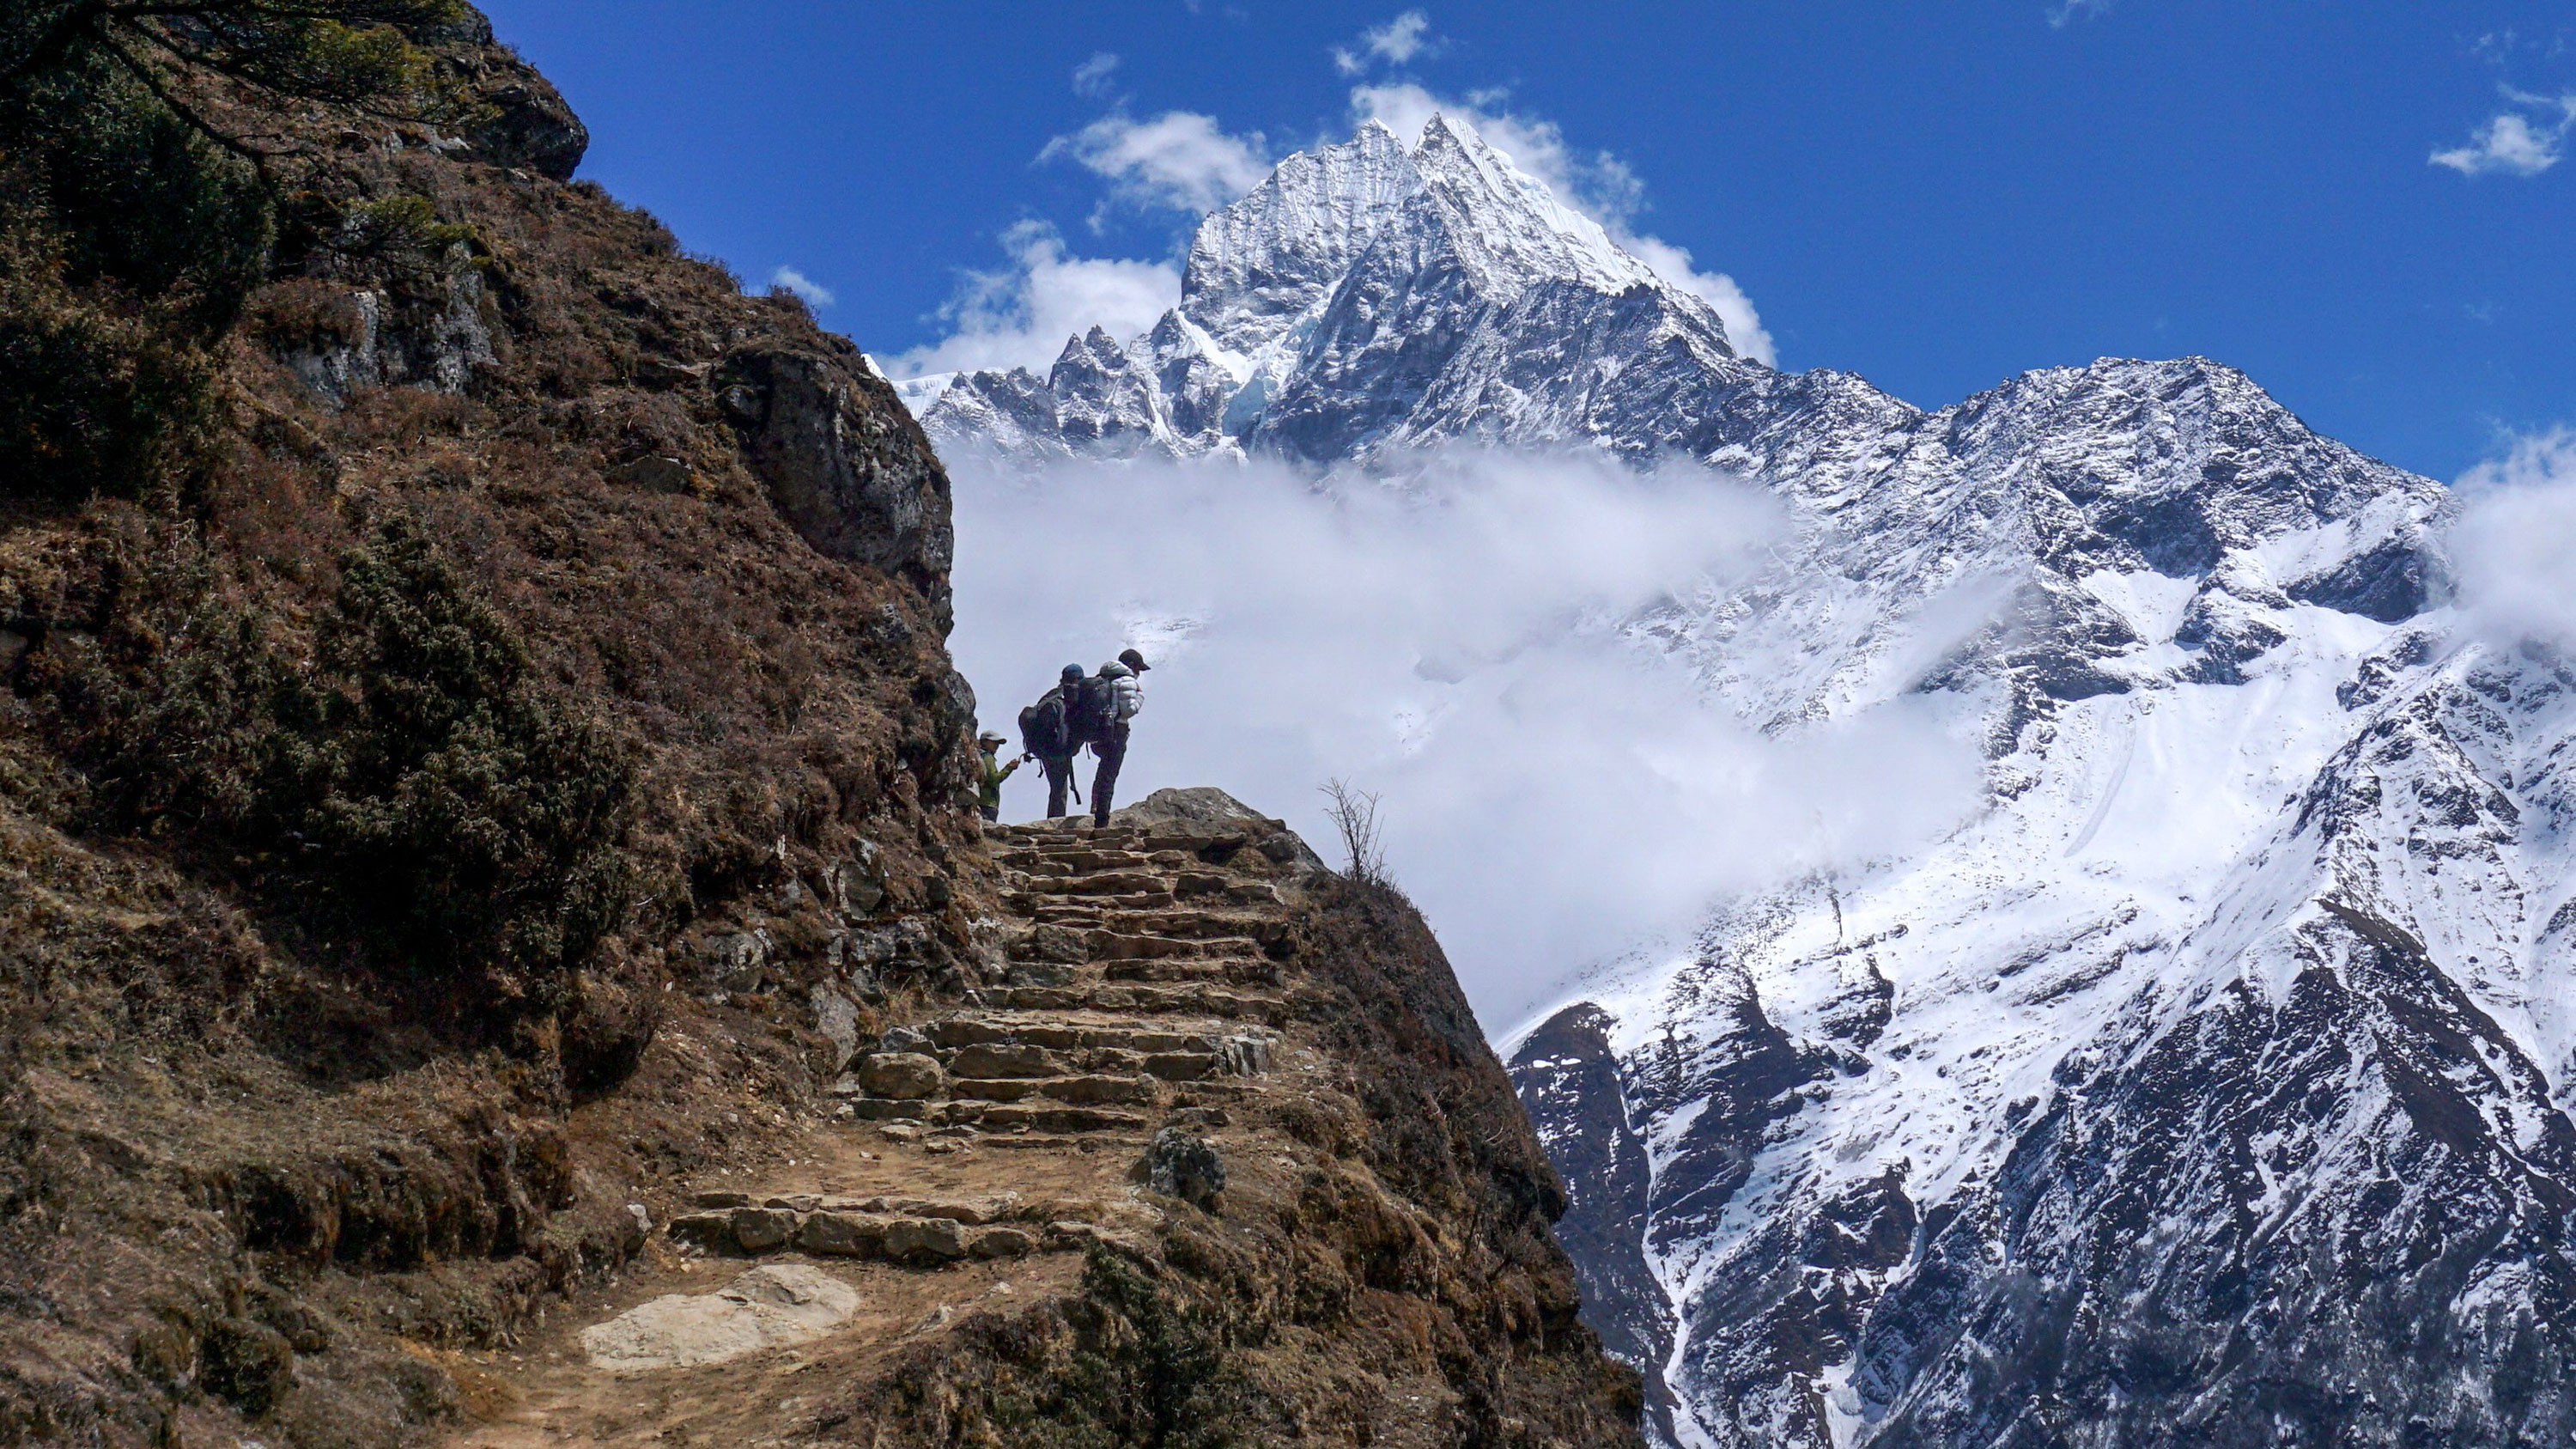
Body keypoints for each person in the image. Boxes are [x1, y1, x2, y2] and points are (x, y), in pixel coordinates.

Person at [1084, 648, 1149, 827]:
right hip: (1116, 732)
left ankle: (1096, 804)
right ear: (1133, 665)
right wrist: (1140, 697)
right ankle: (1102, 820)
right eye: (1139, 669)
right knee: (1110, 774)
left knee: (1103, 768)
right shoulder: (1127, 681)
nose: (1139, 673)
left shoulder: (1103, 677)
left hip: (1097, 734)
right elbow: (1127, 710)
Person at [1018, 663, 1087, 819]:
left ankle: (1054, 821)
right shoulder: (1071, 697)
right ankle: (1055, 824)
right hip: (1060, 749)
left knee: (1057, 788)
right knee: (1059, 789)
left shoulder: (1051, 695)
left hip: (1044, 749)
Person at [974, 732, 1021, 823]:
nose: (997, 745)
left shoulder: (979, 755)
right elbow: (994, 780)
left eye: (998, 743)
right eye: (994, 742)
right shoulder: (987, 757)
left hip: (980, 802)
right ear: (984, 742)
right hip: (987, 804)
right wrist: (1009, 768)